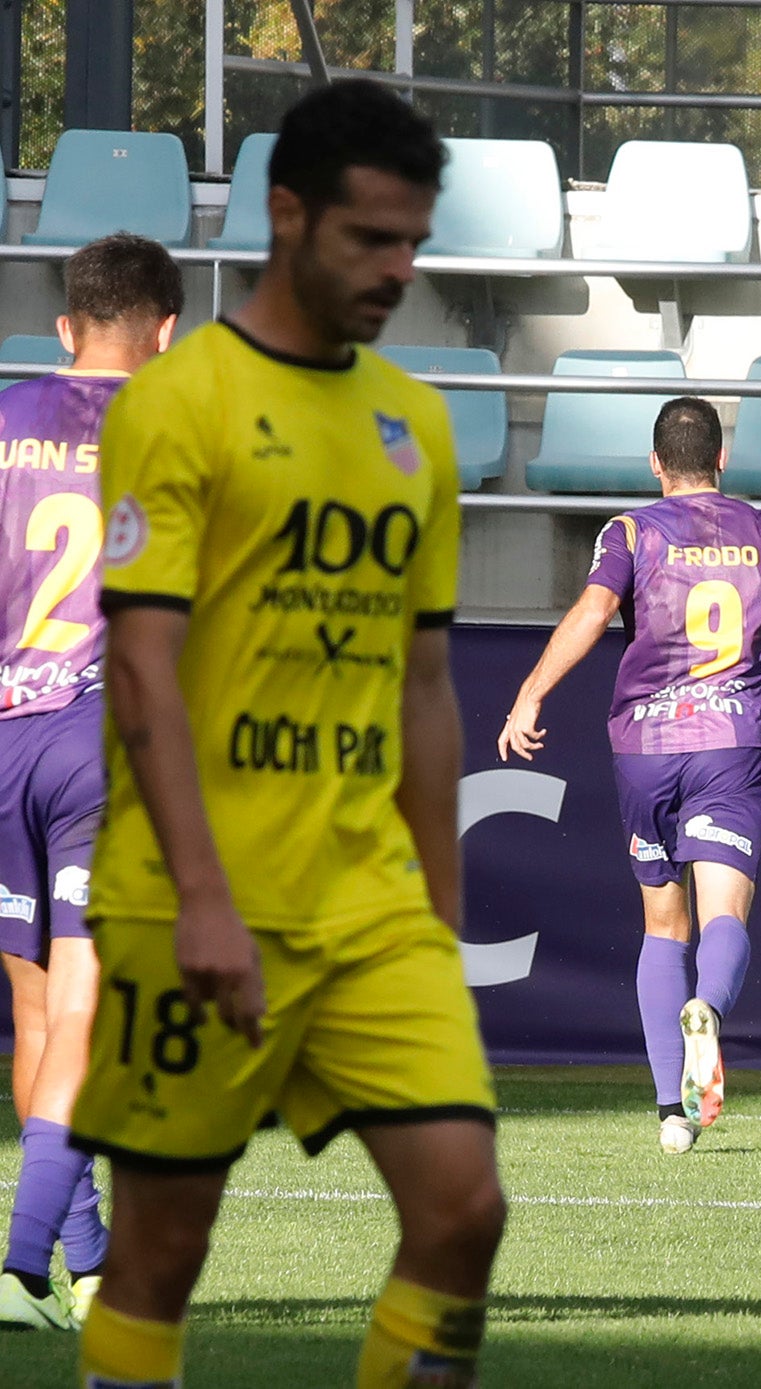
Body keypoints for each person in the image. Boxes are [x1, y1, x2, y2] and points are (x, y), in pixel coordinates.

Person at [67, 79, 504, 1389]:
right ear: (286, 213)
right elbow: (141, 666)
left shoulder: (413, 424)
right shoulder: (178, 401)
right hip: (187, 897)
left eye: (414, 241)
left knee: (463, 1210)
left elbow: (426, 686)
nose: (397, 269)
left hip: (365, 903)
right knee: (159, 1253)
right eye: (371, 238)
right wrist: (202, 895)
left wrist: (438, 911)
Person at [499, 396, 761, 1154]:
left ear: (655, 463)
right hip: (730, 739)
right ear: (722, 459)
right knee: (724, 913)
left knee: (663, 922)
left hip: (645, 746)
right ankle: (709, 1014)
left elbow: (593, 614)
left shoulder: (631, 530)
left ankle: (671, 1111)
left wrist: (529, 693)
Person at [0, 234, 183, 1332]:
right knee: (87, 1011)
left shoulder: (3, 420)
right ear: (167, 332)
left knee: (35, 1014)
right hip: (102, 741)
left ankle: (91, 1267)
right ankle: (23, 1266)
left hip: (2, 737)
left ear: (66, 328)